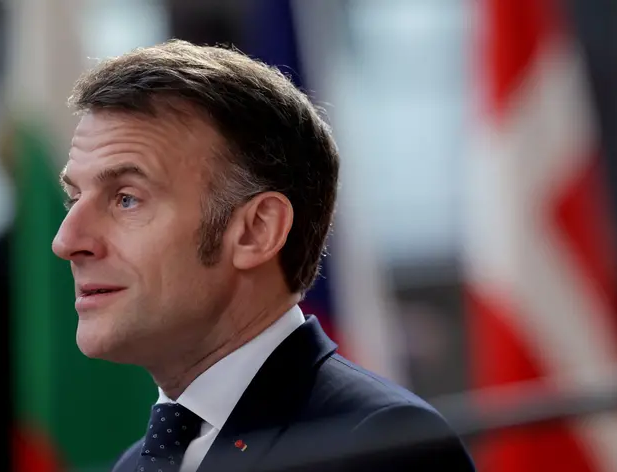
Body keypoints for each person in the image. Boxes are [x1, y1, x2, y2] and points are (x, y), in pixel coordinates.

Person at [52, 40, 475, 472]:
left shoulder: (382, 446)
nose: (66, 241)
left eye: (126, 199)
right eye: (75, 198)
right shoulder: (133, 464)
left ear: (257, 230)